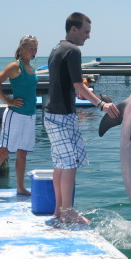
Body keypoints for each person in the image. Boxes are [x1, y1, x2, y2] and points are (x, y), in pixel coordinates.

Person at [44, 12, 119, 224]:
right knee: (68, 163)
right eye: (86, 31)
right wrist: (101, 104)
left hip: (56, 115)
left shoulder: (56, 49)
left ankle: (59, 209)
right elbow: (79, 86)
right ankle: (67, 210)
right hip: (61, 116)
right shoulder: (73, 51)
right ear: (73, 29)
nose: (88, 36)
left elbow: (69, 84)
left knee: (62, 163)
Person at [0, 35, 39, 199]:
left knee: (23, 152)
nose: (34, 52)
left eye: (36, 49)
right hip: (15, 115)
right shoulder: (15, 66)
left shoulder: (31, 68)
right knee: (4, 150)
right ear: (22, 48)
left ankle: (20, 187)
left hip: (30, 116)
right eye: (31, 48)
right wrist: (8, 101)